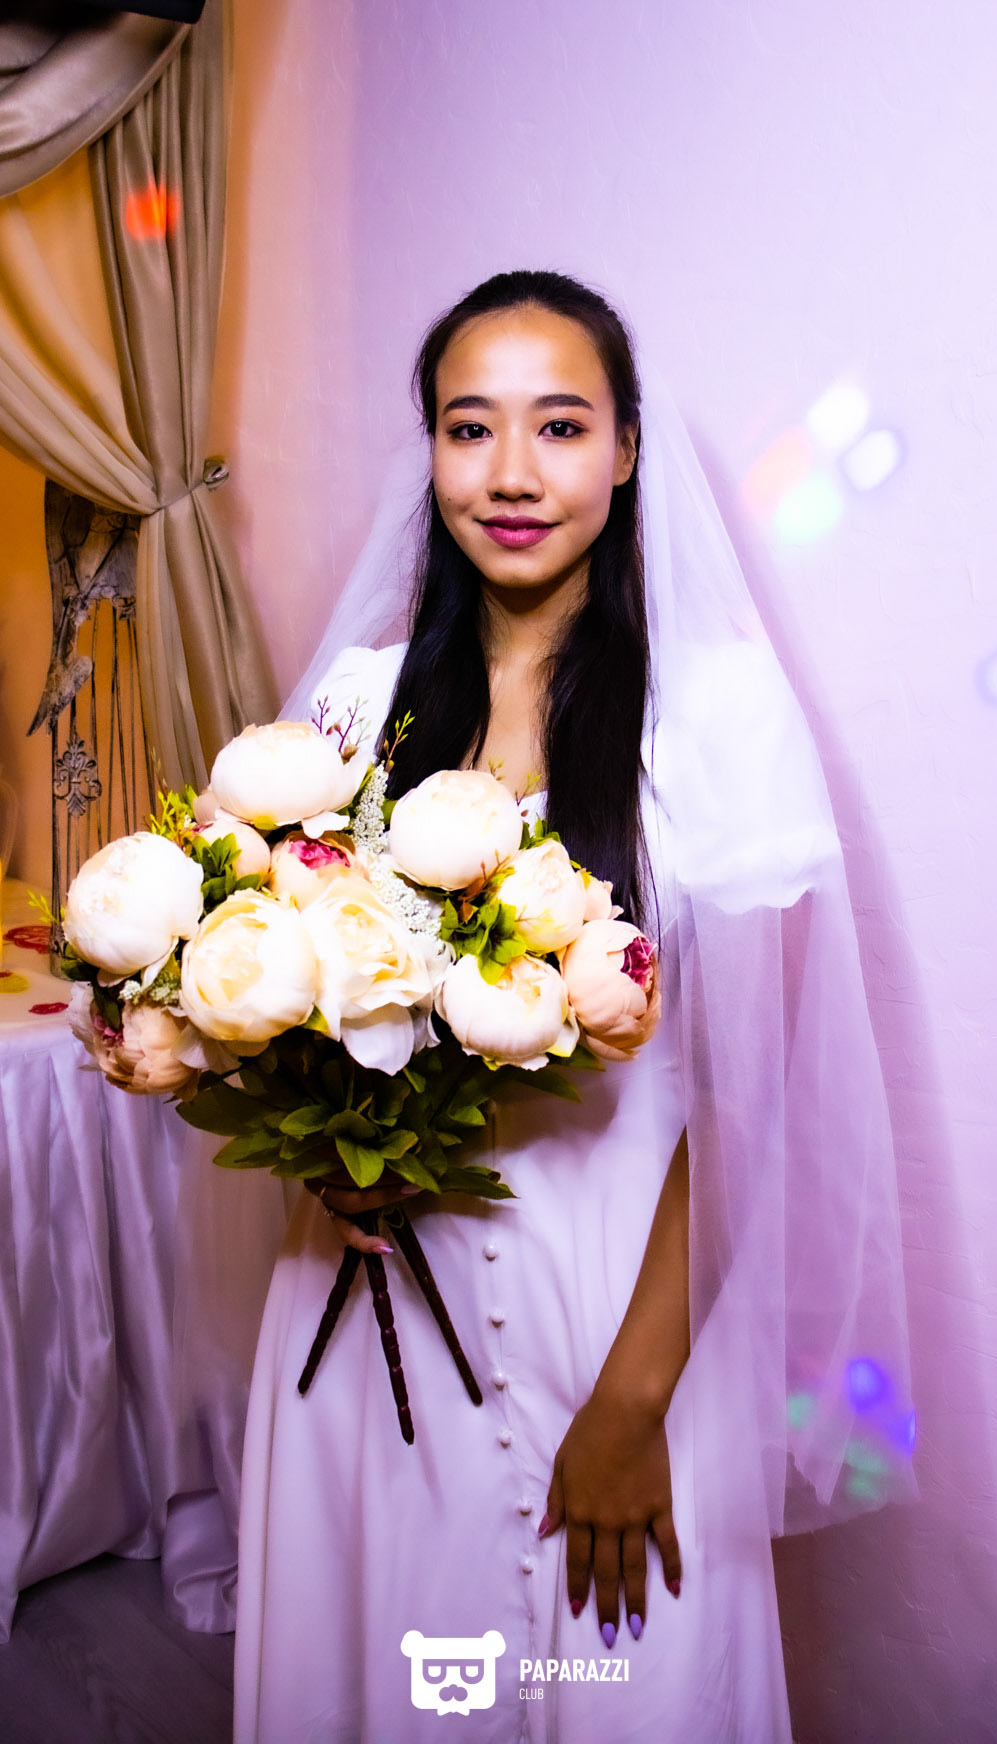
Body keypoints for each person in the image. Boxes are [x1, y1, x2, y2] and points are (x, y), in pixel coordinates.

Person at [231, 271, 915, 1743]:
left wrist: (633, 1399)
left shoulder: (710, 712)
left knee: (619, 1684)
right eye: (469, 427)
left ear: (626, 450)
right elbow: (281, 985)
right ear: (429, 452)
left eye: (559, 426)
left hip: (623, 1287)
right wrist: (323, 1153)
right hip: (378, 1287)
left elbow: (752, 1086)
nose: (512, 473)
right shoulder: (356, 704)